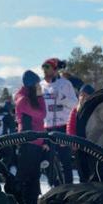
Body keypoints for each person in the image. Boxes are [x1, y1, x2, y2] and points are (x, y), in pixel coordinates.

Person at [40, 57, 76, 185]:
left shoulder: (65, 84)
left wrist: (63, 98)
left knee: (65, 160)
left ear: (55, 69)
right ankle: (54, 187)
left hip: (62, 126)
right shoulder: (40, 85)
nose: (45, 70)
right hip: (46, 128)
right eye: (43, 68)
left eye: (48, 67)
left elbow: (75, 104)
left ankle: (69, 187)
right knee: (48, 161)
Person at [14, 70, 47, 204]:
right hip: (27, 143)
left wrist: (44, 141)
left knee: (34, 177)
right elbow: (41, 114)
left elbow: (40, 119)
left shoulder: (30, 97)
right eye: (37, 84)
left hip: (36, 142)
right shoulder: (23, 100)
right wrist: (40, 96)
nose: (40, 87)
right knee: (25, 177)